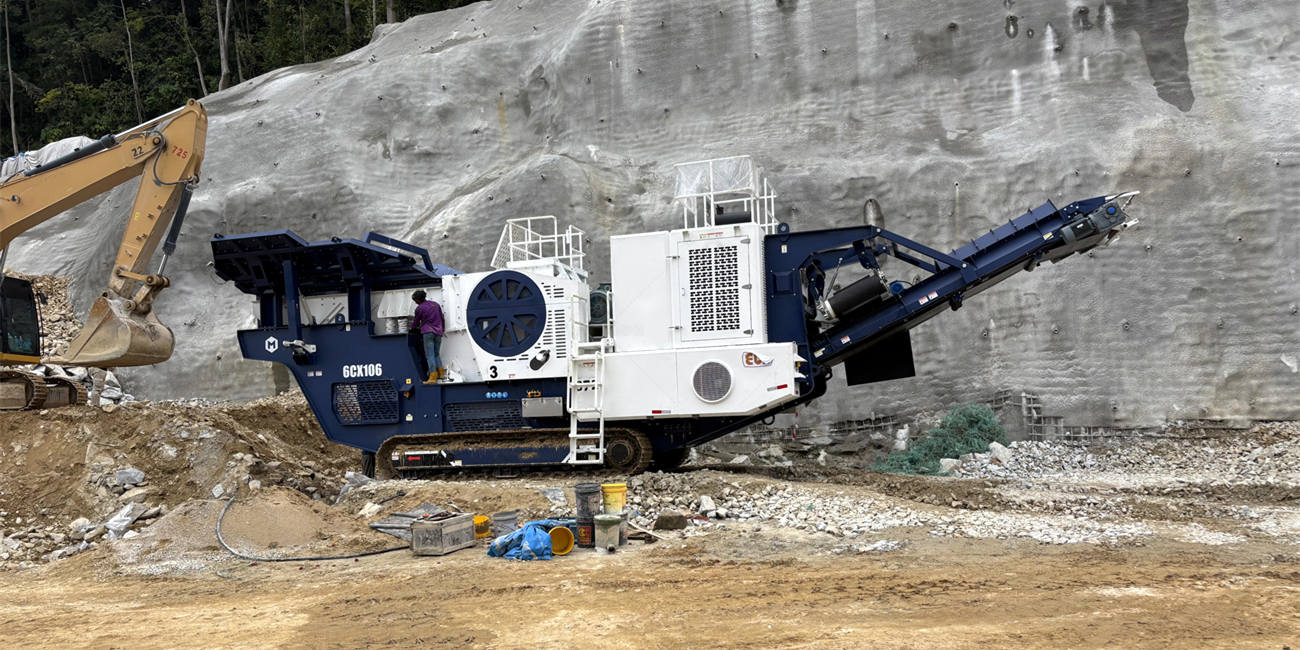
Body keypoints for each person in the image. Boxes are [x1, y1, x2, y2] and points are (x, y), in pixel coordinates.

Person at [410, 290, 444, 384]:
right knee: (436, 353)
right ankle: (441, 373)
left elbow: (416, 322)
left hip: (428, 332)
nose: (415, 302)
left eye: (415, 300)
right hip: (439, 331)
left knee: (430, 355)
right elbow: (442, 318)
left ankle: (433, 377)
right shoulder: (436, 304)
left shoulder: (420, 308)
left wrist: (412, 328)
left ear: (418, 299)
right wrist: (442, 330)